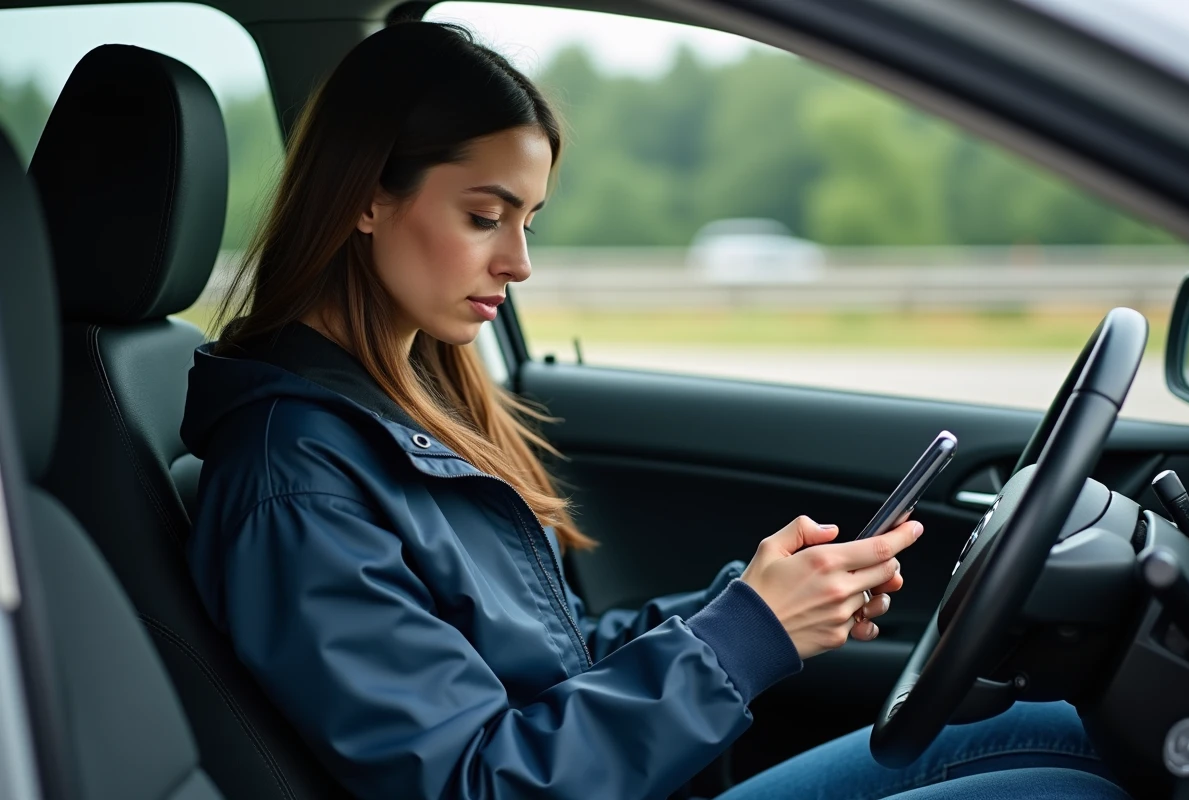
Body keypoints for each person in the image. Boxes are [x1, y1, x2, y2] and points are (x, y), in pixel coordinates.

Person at [181, 21, 1130, 800]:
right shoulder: (297, 483)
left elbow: (549, 668)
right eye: (484, 216)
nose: (518, 262)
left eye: (529, 222)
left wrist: (750, 602)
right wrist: (746, 638)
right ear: (366, 201)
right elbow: (473, 783)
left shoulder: (402, 413)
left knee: (1061, 726)